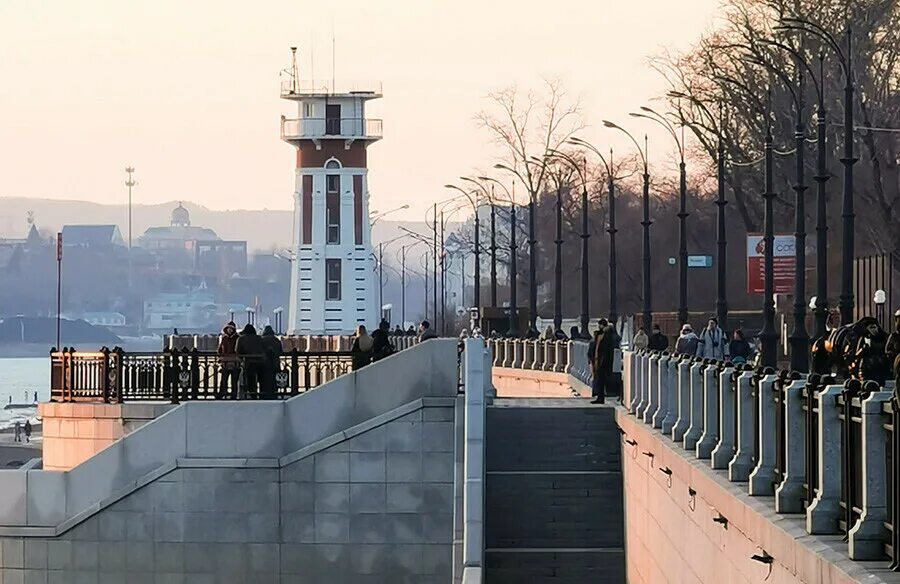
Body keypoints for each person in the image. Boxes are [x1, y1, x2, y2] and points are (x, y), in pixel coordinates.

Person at [587, 320, 615, 404]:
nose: (598, 327)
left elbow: (605, 350)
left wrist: (602, 360)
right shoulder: (599, 335)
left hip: (601, 361)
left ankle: (600, 397)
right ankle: (599, 396)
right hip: (597, 360)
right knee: (598, 379)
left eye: (599, 325)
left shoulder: (606, 336)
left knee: (601, 380)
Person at [235, 324, 264, 398]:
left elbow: (237, 351)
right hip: (260, 362)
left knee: (247, 379)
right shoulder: (259, 338)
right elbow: (263, 350)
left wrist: (241, 359)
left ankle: (248, 394)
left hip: (247, 362)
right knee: (259, 379)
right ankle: (259, 393)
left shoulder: (241, 339)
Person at [216, 321, 240, 398]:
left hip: (234, 363)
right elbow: (220, 349)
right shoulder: (224, 338)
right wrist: (220, 358)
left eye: (231, 329)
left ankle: (233, 395)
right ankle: (222, 394)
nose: (230, 330)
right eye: (229, 328)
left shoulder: (237, 338)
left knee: (234, 381)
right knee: (223, 380)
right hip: (225, 363)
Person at [259, 325, 283, 398]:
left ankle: (263, 394)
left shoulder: (262, 340)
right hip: (275, 363)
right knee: (274, 380)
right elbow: (281, 351)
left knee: (263, 380)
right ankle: (274, 393)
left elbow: (259, 351)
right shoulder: (276, 340)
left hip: (264, 363)